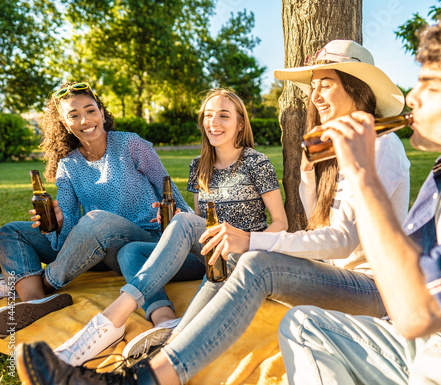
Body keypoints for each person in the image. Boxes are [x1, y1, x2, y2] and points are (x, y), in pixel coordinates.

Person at [14, 40, 412, 384]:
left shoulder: (382, 145)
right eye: (313, 87)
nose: (316, 95)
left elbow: (341, 240)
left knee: (253, 261)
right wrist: (310, 172)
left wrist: (247, 238)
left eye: (327, 84)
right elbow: (319, 226)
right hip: (321, 270)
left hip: (370, 284)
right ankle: (154, 338)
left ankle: (120, 340)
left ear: (357, 88)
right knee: (179, 238)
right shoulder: (326, 149)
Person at [277, 4, 441, 385]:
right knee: (302, 325)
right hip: (419, 344)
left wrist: (362, 175)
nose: (413, 98)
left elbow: (418, 311)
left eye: (432, 86)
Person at [50, 88, 288, 365]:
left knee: (200, 306)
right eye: (208, 116)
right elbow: (198, 221)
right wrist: (174, 218)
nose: (214, 122)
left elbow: (281, 223)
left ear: (240, 123)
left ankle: (126, 328)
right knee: (130, 252)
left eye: (224, 116)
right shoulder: (199, 166)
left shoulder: (256, 162)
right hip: (207, 253)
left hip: (242, 254)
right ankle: (163, 319)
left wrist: (244, 243)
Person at [0, 82, 190, 337]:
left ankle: (47, 282)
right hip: (94, 247)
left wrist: (182, 222)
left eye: (90, 110)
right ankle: (34, 302)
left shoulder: (131, 145)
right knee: (11, 231)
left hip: (145, 240)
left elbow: (171, 193)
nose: (85, 120)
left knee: (95, 221)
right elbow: (66, 235)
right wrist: (56, 224)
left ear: (102, 112)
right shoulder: (68, 165)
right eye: (74, 115)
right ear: (65, 124)